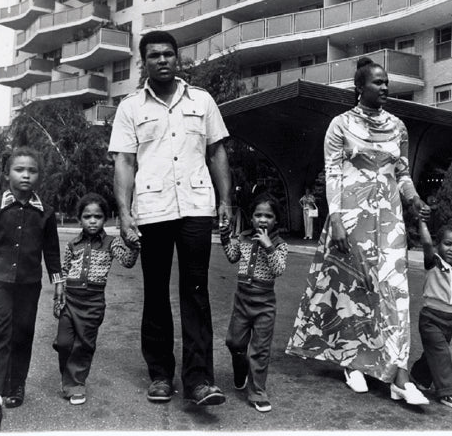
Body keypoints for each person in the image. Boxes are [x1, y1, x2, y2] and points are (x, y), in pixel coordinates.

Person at [286, 57, 431, 406]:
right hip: (351, 215)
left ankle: (400, 377)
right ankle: (351, 363)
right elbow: (332, 173)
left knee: (395, 291)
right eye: (378, 82)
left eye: (386, 82)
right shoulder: (340, 125)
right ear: (359, 87)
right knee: (355, 288)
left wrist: (413, 199)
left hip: (390, 217)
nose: (385, 87)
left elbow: (403, 171)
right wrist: (334, 218)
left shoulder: (398, 126)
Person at [108, 30, 232, 406]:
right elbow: (124, 163)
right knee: (156, 293)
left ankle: (199, 380)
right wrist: (125, 213)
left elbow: (216, 153)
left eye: (168, 55)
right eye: (154, 56)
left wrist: (226, 201)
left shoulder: (203, 100)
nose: (162, 60)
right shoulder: (130, 107)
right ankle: (160, 374)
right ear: (143, 63)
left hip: (195, 205)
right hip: (152, 209)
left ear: (178, 59)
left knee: (196, 293)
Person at [0, 146, 63, 431]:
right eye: (19, 170)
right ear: (6, 174)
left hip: (28, 283)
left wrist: (58, 284)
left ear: (39, 176)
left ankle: (16, 386)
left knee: (22, 332)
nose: (25, 175)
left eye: (32, 171)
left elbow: (52, 251)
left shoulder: (45, 212)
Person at [53, 193, 140, 405]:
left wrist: (135, 245)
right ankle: (70, 378)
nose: (93, 221)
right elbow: (63, 270)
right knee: (64, 343)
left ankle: (75, 385)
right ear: (80, 218)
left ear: (105, 218)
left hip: (92, 303)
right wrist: (58, 298)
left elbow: (127, 262)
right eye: (87, 216)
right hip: (70, 301)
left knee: (83, 345)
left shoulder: (112, 243)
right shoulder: (73, 244)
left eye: (98, 216)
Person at [219, 193, 288, 413]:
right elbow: (232, 257)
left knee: (259, 350)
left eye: (268, 216)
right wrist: (224, 237)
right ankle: (241, 370)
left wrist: (269, 247)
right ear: (252, 218)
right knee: (234, 342)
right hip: (242, 300)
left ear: (276, 220)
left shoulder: (279, 244)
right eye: (258, 215)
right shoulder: (244, 238)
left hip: (264, 304)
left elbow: (278, 269)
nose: (263, 219)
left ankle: (258, 391)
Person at [410, 219, 452, 410]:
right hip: (431, 318)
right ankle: (449, 392)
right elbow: (426, 243)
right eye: (448, 243)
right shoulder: (433, 262)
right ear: (438, 244)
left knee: (433, 353)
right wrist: (422, 221)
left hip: (448, 320)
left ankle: (418, 377)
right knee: (441, 353)